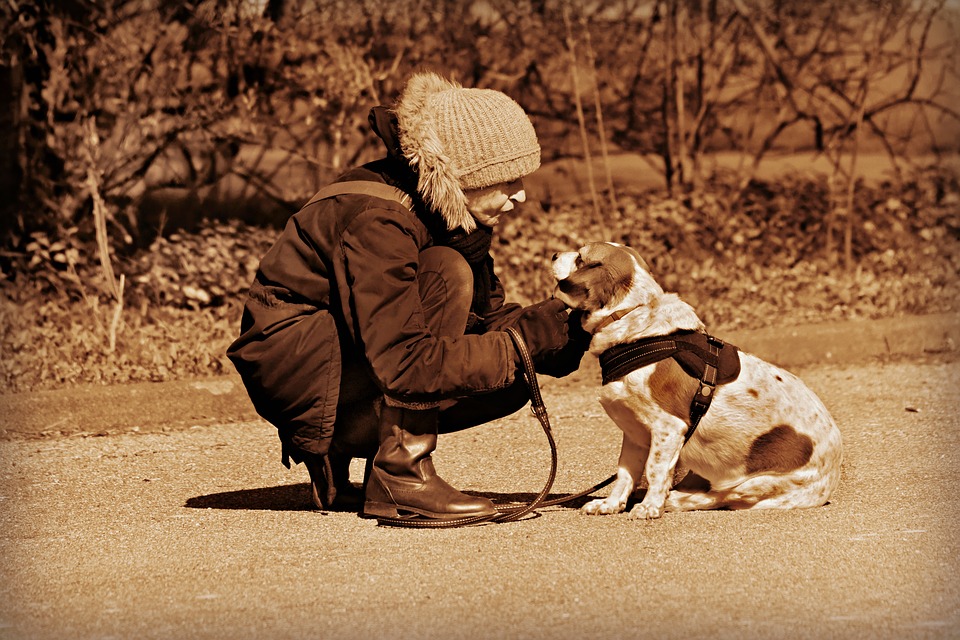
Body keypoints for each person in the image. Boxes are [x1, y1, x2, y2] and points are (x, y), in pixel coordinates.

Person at [227, 71, 588, 523]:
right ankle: (402, 474)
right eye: (508, 180)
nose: (521, 196)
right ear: (463, 176)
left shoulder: (443, 211)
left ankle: (350, 463)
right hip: (302, 375)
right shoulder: (379, 220)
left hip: (339, 362)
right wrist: (523, 346)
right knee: (449, 276)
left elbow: (485, 319)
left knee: (512, 374)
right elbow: (406, 363)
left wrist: (572, 325)